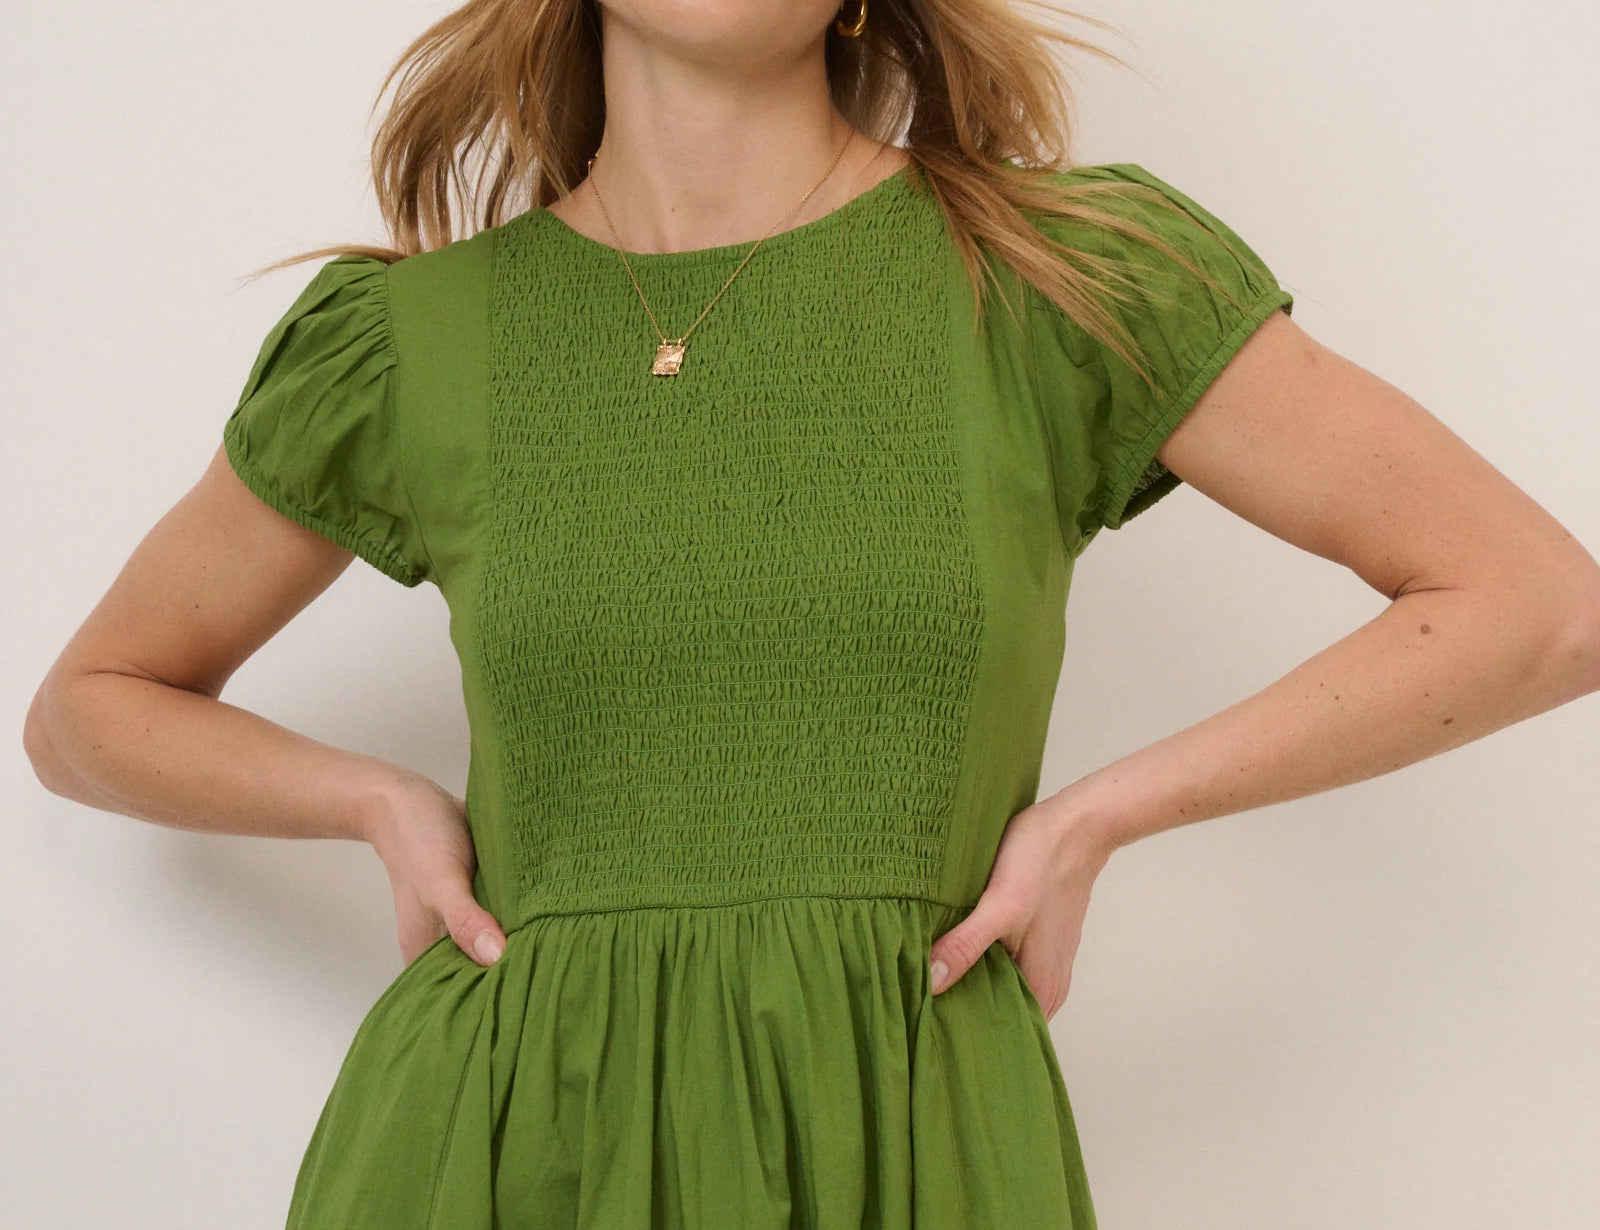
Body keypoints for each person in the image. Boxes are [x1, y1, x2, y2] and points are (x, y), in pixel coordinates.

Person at [23, 0, 1600, 1226]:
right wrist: (372, 797)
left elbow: (1535, 602)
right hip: (496, 1147)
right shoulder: (410, 340)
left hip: (904, 1135)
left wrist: (1104, 813)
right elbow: (87, 705)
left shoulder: (1056, 277)